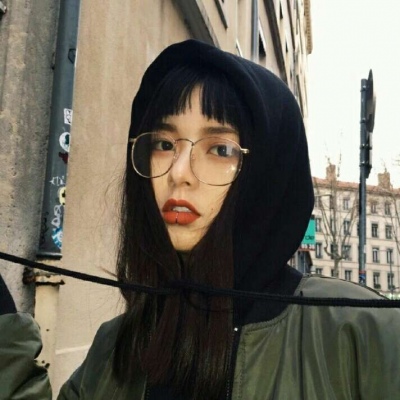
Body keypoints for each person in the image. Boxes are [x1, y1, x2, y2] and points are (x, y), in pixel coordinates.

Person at [1, 40, 400, 400]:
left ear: (269, 173)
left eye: (220, 149)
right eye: (163, 143)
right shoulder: (116, 349)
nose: (179, 172)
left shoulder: (361, 335)